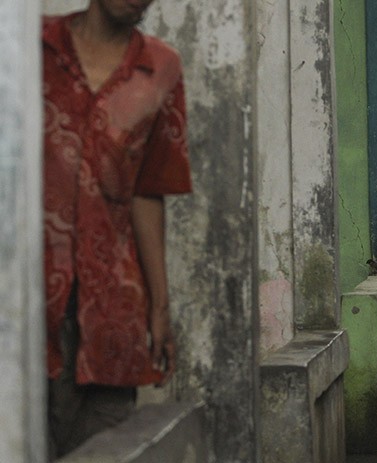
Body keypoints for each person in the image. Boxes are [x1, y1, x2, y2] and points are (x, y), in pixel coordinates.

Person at [42, 0, 192, 458]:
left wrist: (160, 309)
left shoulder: (160, 68)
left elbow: (149, 192)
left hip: (111, 310)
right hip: (24, 300)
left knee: (103, 447)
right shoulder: (33, 49)